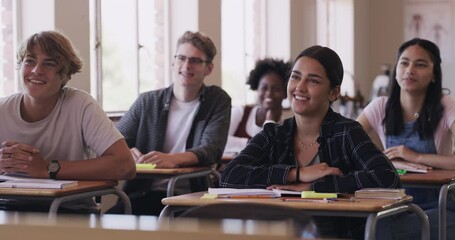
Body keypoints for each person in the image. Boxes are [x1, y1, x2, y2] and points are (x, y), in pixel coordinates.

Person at [220, 45, 400, 239]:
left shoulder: (347, 132)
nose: (300, 87)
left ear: (334, 92)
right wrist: (297, 173)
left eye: (313, 80)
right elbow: (229, 176)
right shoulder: (273, 134)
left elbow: (388, 177)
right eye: (295, 77)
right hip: (280, 233)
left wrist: (314, 188)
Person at [0, 31, 136, 213]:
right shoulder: (3, 108)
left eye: (48, 64)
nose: (36, 70)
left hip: (69, 210)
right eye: (30, 61)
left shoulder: (81, 105)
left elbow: (125, 165)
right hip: (9, 207)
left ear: (64, 75)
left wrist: (48, 168)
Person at [108, 31, 231, 216]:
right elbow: (113, 140)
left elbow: (212, 149)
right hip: (143, 192)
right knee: (109, 221)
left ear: (209, 69)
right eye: (181, 58)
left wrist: (173, 159)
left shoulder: (217, 100)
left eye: (195, 61)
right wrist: (125, 151)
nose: (187, 65)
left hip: (191, 195)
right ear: (173, 62)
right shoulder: (147, 101)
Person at [357, 38, 455, 239]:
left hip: (440, 205)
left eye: (420, 64)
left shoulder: (446, 106)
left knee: (379, 229)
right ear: (396, 70)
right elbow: (345, 145)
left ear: (434, 75)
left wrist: (414, 156)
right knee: (370, 223)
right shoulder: (380, 107)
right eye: (404, 62)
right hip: (394, 203)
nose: (410, 70)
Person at [224, 58, 292, 154]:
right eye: (264, 88)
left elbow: (271, 153)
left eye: (276, 89)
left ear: (285, 93)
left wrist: (269, 121)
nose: (269, 93)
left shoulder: (286, 128)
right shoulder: (240, 113)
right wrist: (253, 144)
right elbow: (220, 141)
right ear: (257, 88)